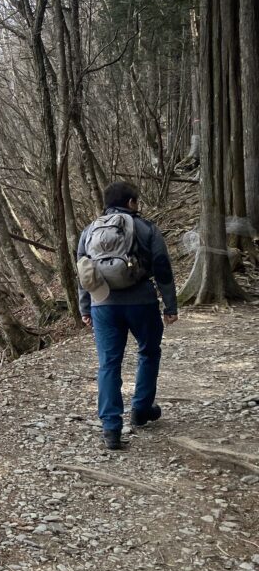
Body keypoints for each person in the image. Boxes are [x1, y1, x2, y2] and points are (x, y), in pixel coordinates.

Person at [76, 181, 178, 450]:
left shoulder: (90, 231)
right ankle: (141, 409)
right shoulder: (146, 228)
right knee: (148, 351)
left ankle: (111, 428)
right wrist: (170, 305)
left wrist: (85, 308)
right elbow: (162, 267)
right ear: (131, 203)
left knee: (108, 364)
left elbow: (84, 273)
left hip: (103, 305)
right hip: (141, 302)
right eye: (137, 201)